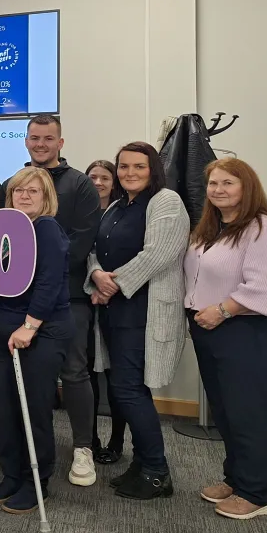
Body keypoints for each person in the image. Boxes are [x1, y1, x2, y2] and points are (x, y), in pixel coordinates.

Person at [183, 158, 267, 520]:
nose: (218, 190)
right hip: (210, 330)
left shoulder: (262, 228)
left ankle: (257, 494)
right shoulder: (211, 227)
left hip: (248, 330)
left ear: (246, 187)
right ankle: (236, 479)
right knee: (227, 412)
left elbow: (263, 286)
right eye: (213, 183)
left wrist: (222, 311)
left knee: (251, 413)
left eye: (228, 183)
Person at [0, 115, 101, 488]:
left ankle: (82, 448)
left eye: (48, 138)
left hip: (65, 298)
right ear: (26, 141)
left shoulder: (81, 185)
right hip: (19, 300)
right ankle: (22, 450)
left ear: (60, 142)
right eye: (34, 138)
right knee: (22, 382)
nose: (40, 144)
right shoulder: (17, 183)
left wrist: (41, 272)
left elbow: (80, 243)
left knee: (74, 373)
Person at [86, 141, 188, 501]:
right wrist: (96, 275)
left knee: (129, 391)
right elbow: (94, 249)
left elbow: (158, 253)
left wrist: (112, 285)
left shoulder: (166, 202)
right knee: (125, 389)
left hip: (142, 311)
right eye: (124, 167)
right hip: (114, 312)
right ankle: (143, 463)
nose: (129, 173)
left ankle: (157, 471)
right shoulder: (116, 205)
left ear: (153, 170)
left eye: (138, 167)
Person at [0, 166, 74, 514]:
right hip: (5, 327)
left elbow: (48, 283)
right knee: (4, 406)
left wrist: (30, 326)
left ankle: (38, 481)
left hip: (40, 330)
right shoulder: (9, 231)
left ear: (46, 198)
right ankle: (13, 474)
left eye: (34, 191)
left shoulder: (46, 229)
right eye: (19, 191)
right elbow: (5, 278)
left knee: (33, 408)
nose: (25, 196)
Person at [85, 159, 129, 464]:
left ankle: (116, 440)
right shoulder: (82, 213)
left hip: (118, 299)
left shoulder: (124, 214)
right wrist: (96, 279)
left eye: (105, 177)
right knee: (87, 376)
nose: (98, 182)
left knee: (117, 377)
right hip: (88, 301)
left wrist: (109, 284)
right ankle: (90, 440)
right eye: (93, 177)